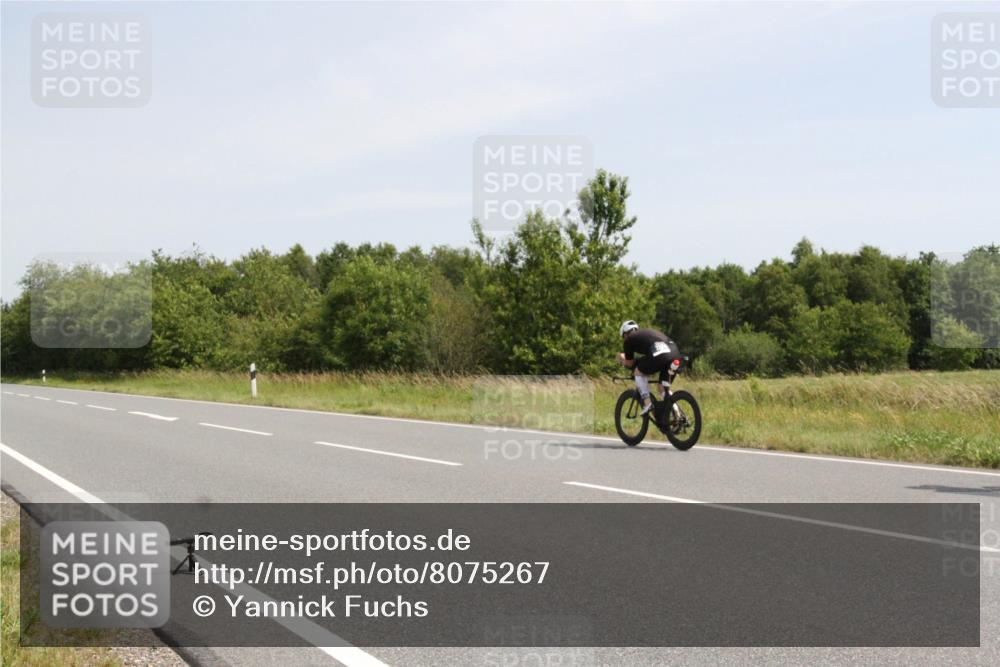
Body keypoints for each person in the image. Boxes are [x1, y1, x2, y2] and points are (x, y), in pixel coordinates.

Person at [617, 320, 681, 415]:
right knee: (662, 387)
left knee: (638, 373)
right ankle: (676, 411)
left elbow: (629, 363)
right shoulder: (648, 333)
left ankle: (648, 403)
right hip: (675, 353)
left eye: (623, 336)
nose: (624, 339)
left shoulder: (629, 339)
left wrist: (622, 359)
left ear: (625, 333)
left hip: (660, 354)